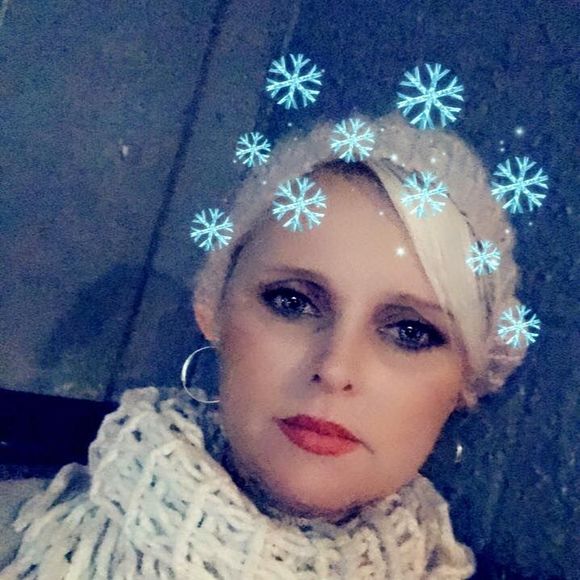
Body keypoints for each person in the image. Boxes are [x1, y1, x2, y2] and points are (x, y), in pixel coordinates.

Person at [0, 111, 529, 579]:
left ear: (468, 381)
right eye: (292, 302)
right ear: (214, 308)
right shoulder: (18, 538)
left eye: (410, 332)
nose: (335, 367)